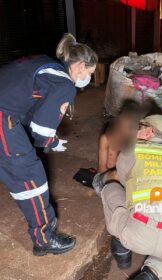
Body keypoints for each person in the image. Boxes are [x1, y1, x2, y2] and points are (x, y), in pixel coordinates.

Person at [0, 33, 98, 255]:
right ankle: (44, 237)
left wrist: (38, 141)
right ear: (81, 66)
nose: (88, 80)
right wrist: (50, 141)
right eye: (89, 74)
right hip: (1, 117)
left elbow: (28, 106)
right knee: (31, 177)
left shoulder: (47, 65)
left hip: (6, 111)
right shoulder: (64, 83)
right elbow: (42, 131)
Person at [92, 115, 162, 280]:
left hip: (137, 236)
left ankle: (122, 250)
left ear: (149, 131)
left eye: (139, 126)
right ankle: (150, 274)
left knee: (111, 188)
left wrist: (100, 180)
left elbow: (124, 185)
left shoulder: (133, 151)